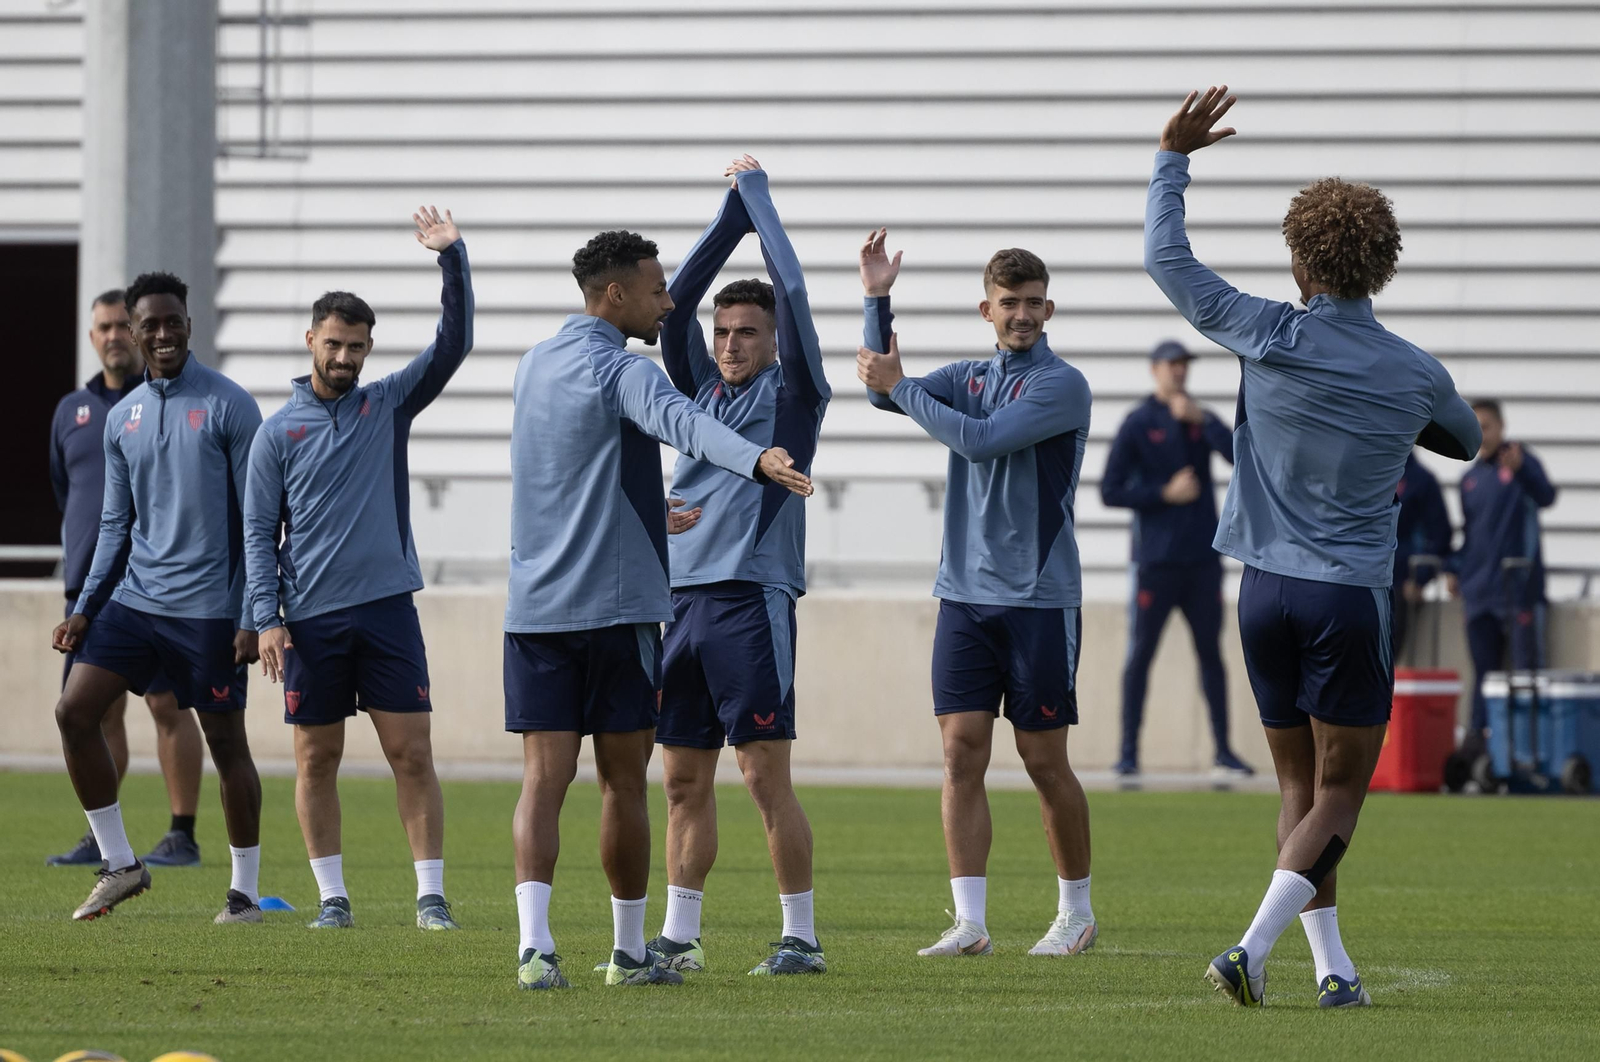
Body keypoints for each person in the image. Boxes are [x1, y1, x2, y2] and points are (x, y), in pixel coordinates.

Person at [1145, 86, 1481, 1008]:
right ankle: (1250, 952)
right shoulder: (1414, 371)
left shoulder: (1264, 329)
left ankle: (1333, 968)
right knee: (1342, 796)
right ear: (1386, 266)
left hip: (1260, 592)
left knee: (1298, 788)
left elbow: (1165, 259)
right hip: (1346, 597)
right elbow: (1465, 442)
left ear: (1300, 261)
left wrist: (1172, 159)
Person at [504, 228, 813, 991]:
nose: (667, 302)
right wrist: (758, 458)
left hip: (538, 606)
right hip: (623, 609)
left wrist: (646, 507)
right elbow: (686, 425)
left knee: (543, 781)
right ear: (617, 295)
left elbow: (574, 469)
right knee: (626, 782)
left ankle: (536, 949)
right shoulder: (624, 370)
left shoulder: (532, 365)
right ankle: (633, 952)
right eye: (654, 288)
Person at [858, 240, 1099, 959]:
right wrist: (877, 301)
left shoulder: (1063, 385)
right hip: (963, 596)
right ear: (987, 309)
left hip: (1037, 598)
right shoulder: (968, 375)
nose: (1021, 315)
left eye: (1033, 303)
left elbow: (984, 442)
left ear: (1048, 308)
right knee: (961, 754)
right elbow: (881, 388)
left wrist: (901, 388)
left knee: (1042, 758)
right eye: (1009, 303)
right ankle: (970, 923)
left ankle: (1075, 914)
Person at [245, 207, 472, 932]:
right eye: (335, 344)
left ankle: (430, 896)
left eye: (358, 348)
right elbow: (256, 531)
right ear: (311, 340)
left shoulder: (388, 404)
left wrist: (451, 259)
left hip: (386, 611)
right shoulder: (276, 432)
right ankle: (332, 900)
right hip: (308, 620)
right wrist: (267, 620)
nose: (345, 358)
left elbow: (452, 345)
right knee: (317, 759)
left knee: (411, 753)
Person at [647, 156, 830, 976]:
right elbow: (674, 301)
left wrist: (757, 199)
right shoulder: (696, 390)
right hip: (680, 606)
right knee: (682, 782)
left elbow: (790, 289)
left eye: (746, 332)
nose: (728, 344)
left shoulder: (797, 393)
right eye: (723, 333)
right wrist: (728, 216)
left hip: (752, 604)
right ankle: (680, 939)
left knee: (762, 775)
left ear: (774, 340)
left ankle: (801, 938)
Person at [51, 271, 267, 924]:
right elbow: (116, 524)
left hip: (209, 612)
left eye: (173, 321)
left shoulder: (230, 404)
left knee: (227, 747)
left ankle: (245, 894)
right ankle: (121, 864)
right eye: (150, 324)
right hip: (136, 602)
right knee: (73, 712)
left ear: (188, 325)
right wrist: (86, 607)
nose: (163, 333)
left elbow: (258, 519)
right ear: (135, 332)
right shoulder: (123, 417)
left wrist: (253, 612)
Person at [47, 288, 205, 869]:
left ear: (137, 334)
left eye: (121, 325)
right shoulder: (73, 412)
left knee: (168, 707)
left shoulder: (159, 403)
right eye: (103, 328)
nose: (113, 335)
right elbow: (68, 494)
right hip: (87, 590)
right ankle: (104, 839)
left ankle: (181, 831)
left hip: (152, 589)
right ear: (93, 337)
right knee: (90, 710)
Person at [1100, 338, 1252, 778]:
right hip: (1155, 562)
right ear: (1155, 370)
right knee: (1141, 654)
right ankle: (1128, 752)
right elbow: (1110, 490)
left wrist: (1202, 420)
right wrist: (1162, 495)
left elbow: (1238, 453)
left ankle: (1223, 751)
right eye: (1171, 366)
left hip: (1202, 560)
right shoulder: (1138, 421)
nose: (1179, 373)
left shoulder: (1198, 418)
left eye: (1184, 365)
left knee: (1211, 654)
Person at [1448, 400, 1557, 732]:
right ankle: (1480, 752)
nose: (1482, 434)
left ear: (1501, 427)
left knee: (1526, 674)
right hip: (1479, 594)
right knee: (1485, 676)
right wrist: (1455, 570)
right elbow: (1469, 536)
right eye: (1476, 426)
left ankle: (1527, 749)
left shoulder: (1521, 463)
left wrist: (1522, 469)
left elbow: (1547, 496)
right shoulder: (1468, 479)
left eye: (1487, 426)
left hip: (1519, 592)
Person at [1391, 451, 1452, 662]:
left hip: (1401, 586)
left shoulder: (1421, 479)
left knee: (1385, 659)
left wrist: (1420, 578)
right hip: (1361, 580)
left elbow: (1440, 535)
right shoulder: (1367, 471)